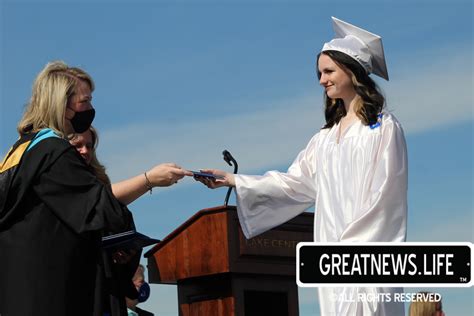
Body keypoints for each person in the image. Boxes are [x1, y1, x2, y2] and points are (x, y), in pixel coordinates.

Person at [195, 17, 408, 315]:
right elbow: (294, 183)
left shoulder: (382, 129)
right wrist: (234, 180)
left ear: (352, 70)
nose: (322, 80)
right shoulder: (325, 137)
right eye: (320, 73)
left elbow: (386, 199)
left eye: (329, 71)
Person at [0, 61, 188, 316]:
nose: (91, 108)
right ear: (62, 105)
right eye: (85, 101)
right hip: (54, 291)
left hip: (19, 289)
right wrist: (146, 185)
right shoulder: (52, 152)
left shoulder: (19, 151)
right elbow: (101, 209)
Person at [69, 126, 191, 205]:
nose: (85, 151)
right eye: (77, 145)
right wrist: (150, 179)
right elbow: (96, 199)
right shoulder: (57, 183)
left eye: (89, 146)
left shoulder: (98, 179)